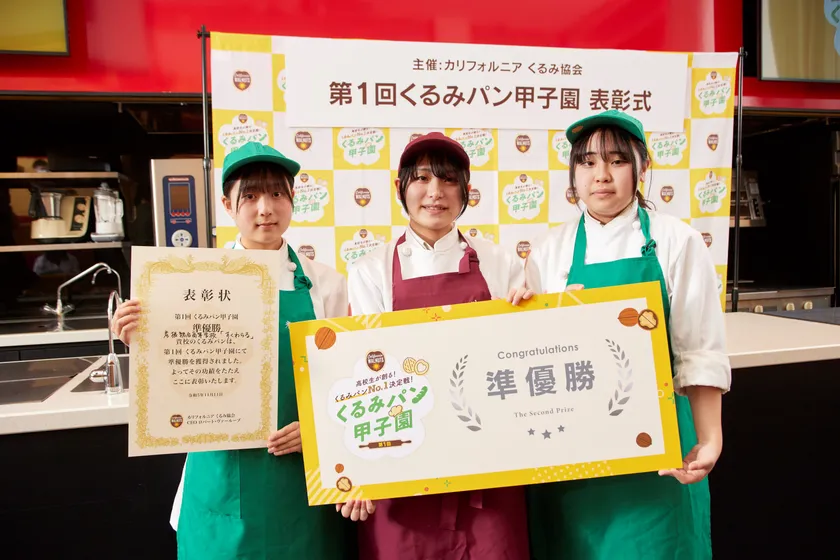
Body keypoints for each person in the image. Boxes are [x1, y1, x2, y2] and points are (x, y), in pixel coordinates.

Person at [110, 142, 357, 559]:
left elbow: (345, 380)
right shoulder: (191, 281)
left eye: (277, 194)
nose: (265, 209)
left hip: (301, 473)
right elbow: (175, 373)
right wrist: (139, 337)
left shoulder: (326, 284)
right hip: (221, 470)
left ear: (293, 199)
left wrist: (318, 429)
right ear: (228, 205)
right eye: (251, 196)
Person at [508, 110, 731, 559]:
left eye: (617, 160)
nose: (601, 175)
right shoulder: (550, 252)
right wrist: (519, 317)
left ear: (642, 167)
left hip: (658, 444)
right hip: (572, 446)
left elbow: (698, 350)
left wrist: (710, 439)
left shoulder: (676, 240)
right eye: (588, 162)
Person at [340, 132, 531, 560]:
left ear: (466, 191)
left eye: (448, 180)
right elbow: (362, 374)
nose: (435, 192)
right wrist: (356, 468)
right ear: (400, 188)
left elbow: (520, 357)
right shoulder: (370, 270)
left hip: (489, 458)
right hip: (401, 460)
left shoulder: (500, 262)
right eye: (422, 178)